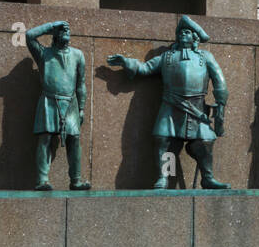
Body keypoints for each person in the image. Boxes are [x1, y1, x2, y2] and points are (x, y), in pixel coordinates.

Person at [107, 16, 228, 190]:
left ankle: (207, 178)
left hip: (197, 108)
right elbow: (145, 68)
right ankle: (163, 178)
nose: (182, 35)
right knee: (164, 140)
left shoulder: (205, 57)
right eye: (180, 32)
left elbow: (220, 81)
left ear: (195, 37)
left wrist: (221, 104)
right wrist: (127, 62)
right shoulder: (167, 57)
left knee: (206, 141)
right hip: (171, 106)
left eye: (187, 32)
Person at [26, 21, 91, 191]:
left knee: (74, 139)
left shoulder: (78, 55)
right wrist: (51, 26)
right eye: (61, 30)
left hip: (71, 102)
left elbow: (81, 84)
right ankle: (42, 179)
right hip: (49, 100)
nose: (65, 31)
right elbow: (29, 36)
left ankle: (76, 180)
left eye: (67, 29)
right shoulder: (43, 53)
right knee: (45, 137)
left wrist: (82, 107)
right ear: (54, 34)